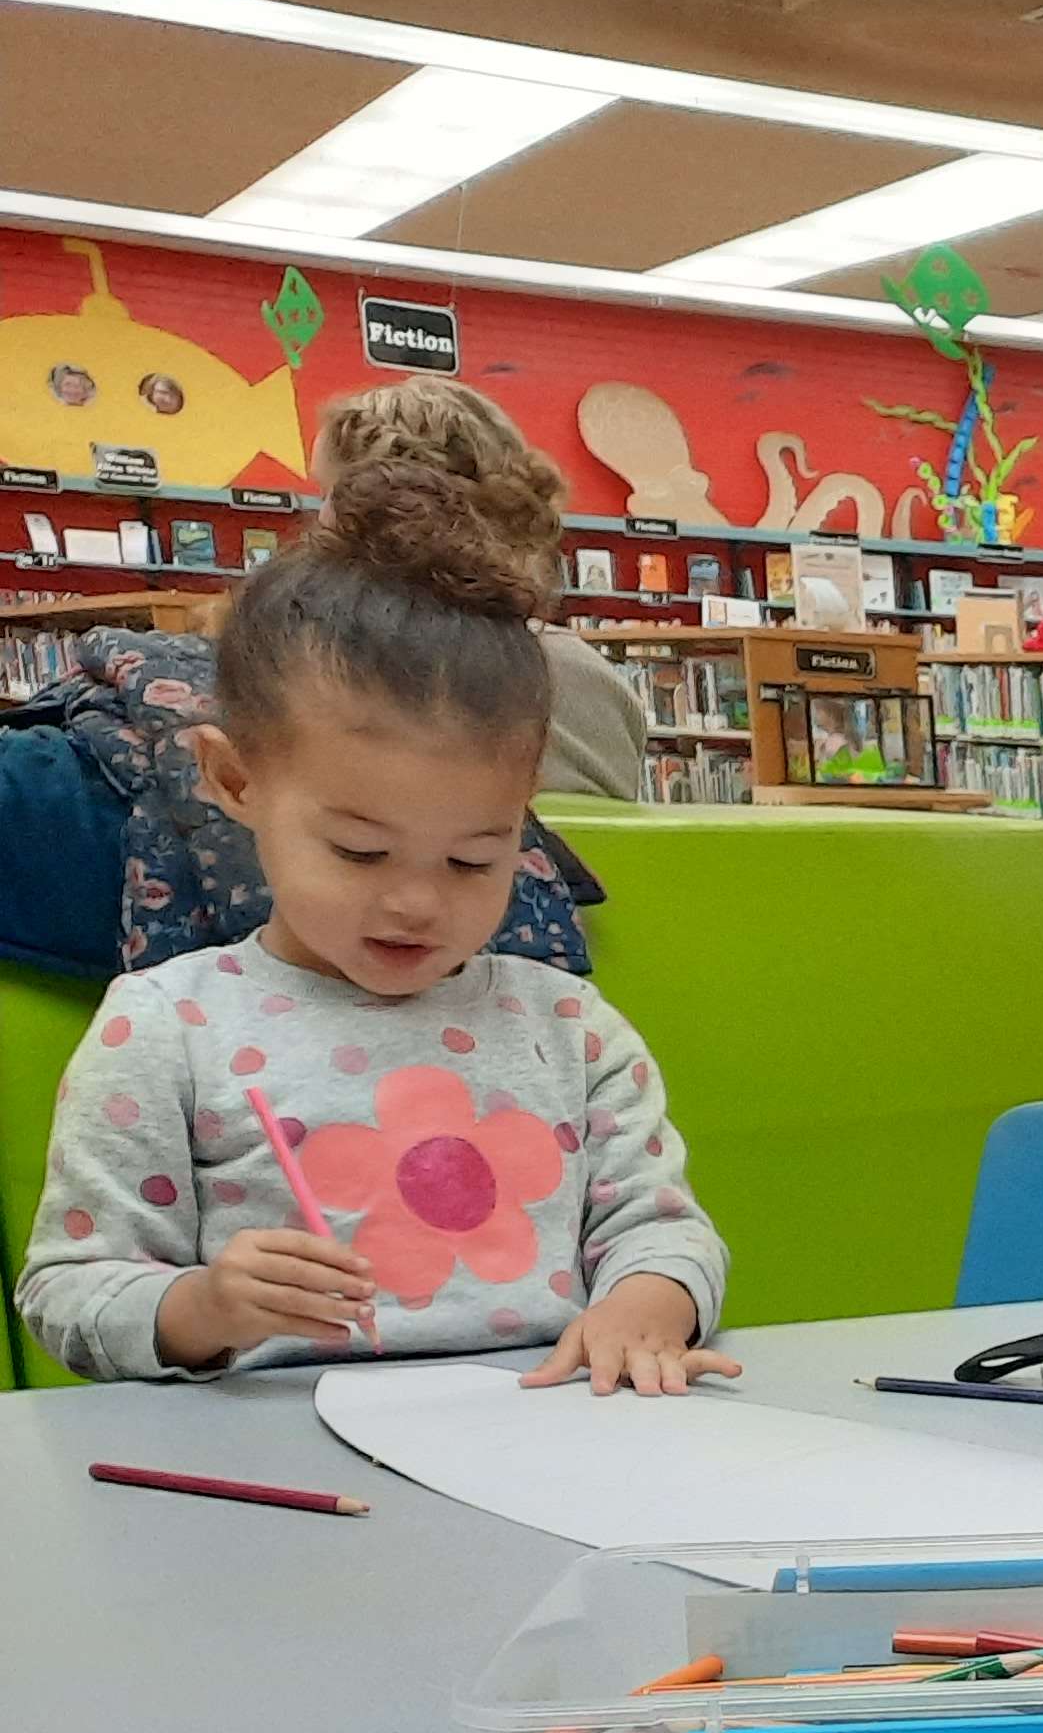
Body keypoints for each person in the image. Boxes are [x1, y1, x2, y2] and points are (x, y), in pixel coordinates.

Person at [15, 448, 730, 1392]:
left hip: (550, 1445)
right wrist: (201, 1308)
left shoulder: (569, 1029)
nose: (416, 901)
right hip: (278, 1470)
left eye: (477, 857)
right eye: (358, 851)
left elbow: (662, 1226)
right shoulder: (165, 1026)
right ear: (235, 781)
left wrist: (648, 1302)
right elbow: (70, 1292)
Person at [311, 377, 652, 803]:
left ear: (368, 512)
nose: (318, 521)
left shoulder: (324, 675)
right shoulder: (591, 680)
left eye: (325, 494)